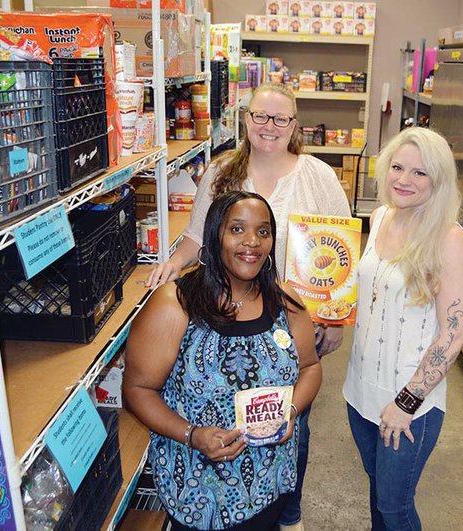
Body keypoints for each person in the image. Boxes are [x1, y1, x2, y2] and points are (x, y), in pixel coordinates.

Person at [146, 82, 351, 530]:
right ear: (246, 119)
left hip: (293, 322)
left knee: (291, 422)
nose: (269, 127)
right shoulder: (222, 171)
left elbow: (341, 246)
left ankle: (285, 509)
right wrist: (172, 265)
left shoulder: (318, 175)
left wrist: (338, 318)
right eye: (261, 116)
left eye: (281, 119)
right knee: (223, 411)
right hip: (226, 318)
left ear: (295, 125)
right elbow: (197, 238)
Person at [123, 191, 322, 530]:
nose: (252, 242)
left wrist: (291, 411)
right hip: (198, 494)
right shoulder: (175, 304)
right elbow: (138, 390)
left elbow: (310, 368)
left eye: (263, 232)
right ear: (214, 237)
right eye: (237, 230)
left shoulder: (285, 299)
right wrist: (192, 434)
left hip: (269, 485)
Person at [343, 127, 463, 531]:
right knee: (378, 494)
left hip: (409, 403)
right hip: (360, 388)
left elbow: (455, 334)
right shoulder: (379, 216)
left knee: (394, 508)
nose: (404, 180)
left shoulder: (449, 239)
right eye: (398, 167)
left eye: (420, 173)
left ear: (439, 182)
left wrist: (406, 403)